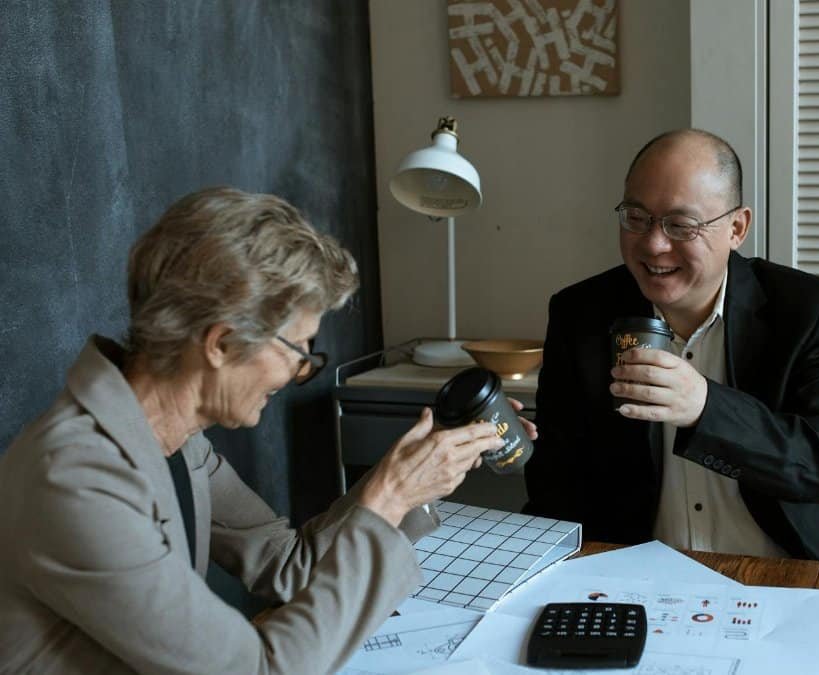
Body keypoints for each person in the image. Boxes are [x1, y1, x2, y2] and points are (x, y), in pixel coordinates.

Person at [0, 187, 531, 673]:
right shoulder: (77, 481)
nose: (297, 373)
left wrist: (407, 483)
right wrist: (390, 498)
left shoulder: (176, 440)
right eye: (298, 352)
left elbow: (290, 564)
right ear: (221, 343)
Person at [523, 129, 819, 562]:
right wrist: (513, 445)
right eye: (637, 217)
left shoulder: (804, 309)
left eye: (681, 225)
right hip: (637, 571)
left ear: (736, 228)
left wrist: (706, 407)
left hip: (779, 568)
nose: (654, 244)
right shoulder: (581, 313)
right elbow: (554, 485)